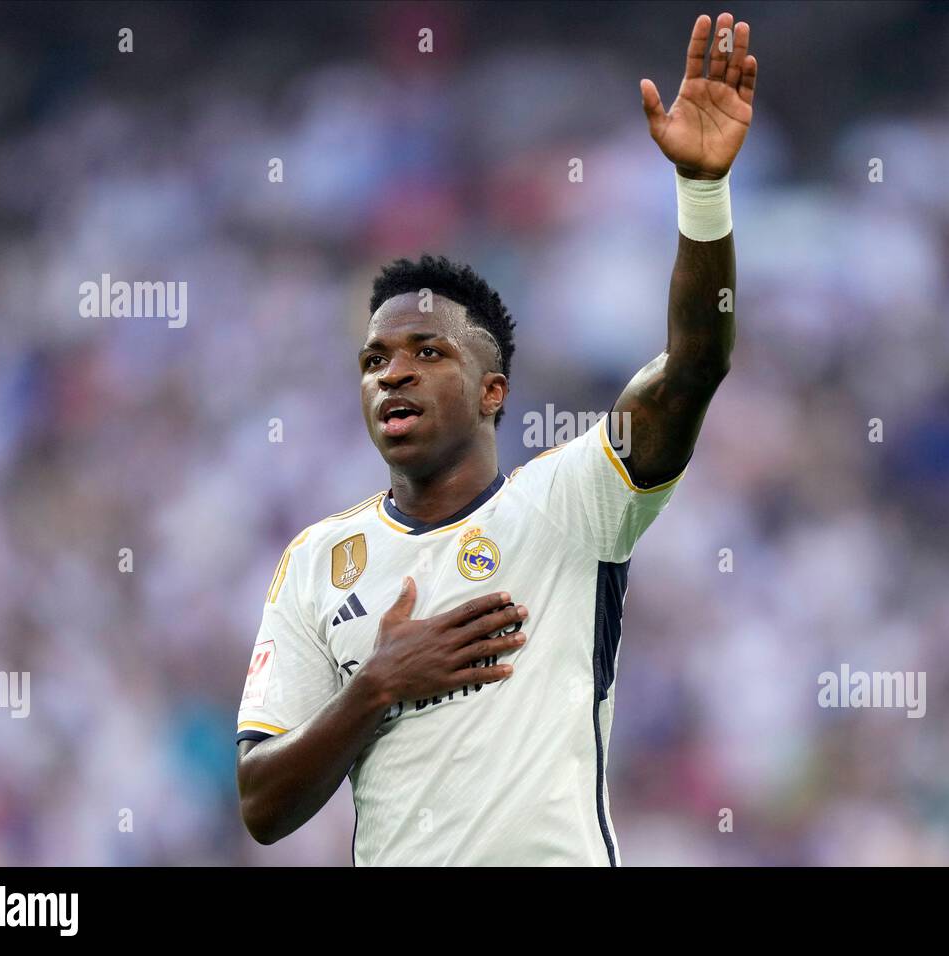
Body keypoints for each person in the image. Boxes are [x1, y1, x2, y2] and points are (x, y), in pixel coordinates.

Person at [234, 12, 757, 865]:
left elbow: (696, 364)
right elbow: (262, 803)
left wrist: (701, 192)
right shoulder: (320, 560)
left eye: (425, 352)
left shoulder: (569, 505)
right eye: (373, 359)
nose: (390, 374)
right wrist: (376, 686)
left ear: (492, 391)